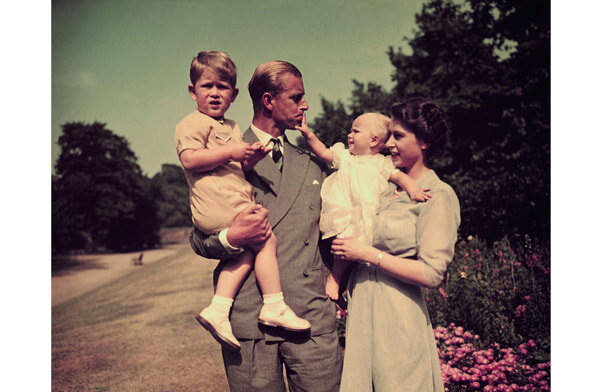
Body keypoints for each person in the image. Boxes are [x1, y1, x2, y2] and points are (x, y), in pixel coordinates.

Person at [189, 60, 343, 391]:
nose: (305, 105)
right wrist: (232, 237)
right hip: (249, 322)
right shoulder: (219, 153)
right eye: (297, 97)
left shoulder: (312, 164)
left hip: (310, 319)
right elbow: (198, 239)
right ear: (268, 101)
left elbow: (335, 232)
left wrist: (336, 283)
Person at [175, 51, 310, 353]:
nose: (214, 94)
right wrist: (234, 151)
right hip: (218, 208)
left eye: (222, 88)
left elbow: (237, 168)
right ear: (191, 91)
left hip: (232, 201)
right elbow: (190, 159)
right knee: (265, 240)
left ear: (234, 94)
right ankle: (273, 304)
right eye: (206, 86)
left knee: (250, 251)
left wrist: (250, 159)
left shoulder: (232, 129)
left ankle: (218, 309)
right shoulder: (192, 123)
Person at [331, 99, 461, 391]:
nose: (389, 144)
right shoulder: (383, 188)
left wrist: (367, 254)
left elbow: (431, 274)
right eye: (388, 135)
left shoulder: (438, 195)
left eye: (399, 136)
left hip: (399, 322)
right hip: (363, 316)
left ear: (425, 141)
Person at [296, 111, 430, 301]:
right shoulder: (345, 156)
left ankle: (347, 287)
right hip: (344, 212)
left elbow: (400, 177)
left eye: (355, 131)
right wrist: (308, 133)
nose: (349, 135)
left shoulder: (381, 164)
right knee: (344, 244)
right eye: (350, 131)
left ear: (374, 140)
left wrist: (413, 190)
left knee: (362, 251)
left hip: (369, 214)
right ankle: (335, 277)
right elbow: (323, 152)